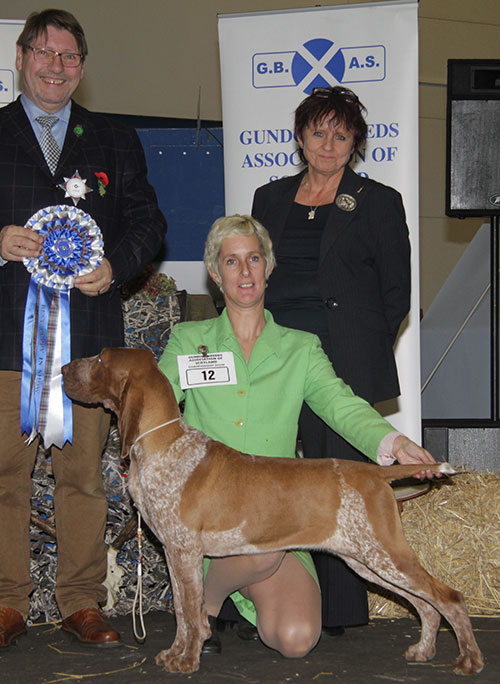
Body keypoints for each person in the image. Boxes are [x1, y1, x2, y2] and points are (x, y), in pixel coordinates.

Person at [158, 214, 438, 657]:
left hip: (280, 521)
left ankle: (230, 600)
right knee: (258, 545)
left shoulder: (300, 347)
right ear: (215, 273)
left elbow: (341, 405)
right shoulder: (189, 340)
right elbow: (156, 410)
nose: (245, 272)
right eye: (232, 262)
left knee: (296, 640)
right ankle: (203, 611)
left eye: (254, 259)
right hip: (208, 527)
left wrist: (395, 444)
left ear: (270, 267)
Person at [0, 9, 166, 648]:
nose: (57, 67)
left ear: (82, 67)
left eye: (70, 57)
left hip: (91, 345)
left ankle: (82, 601)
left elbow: (149, 223)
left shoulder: (115, 140)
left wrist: (116, 267)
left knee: (83, 479)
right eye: (45, 53)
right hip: (7, 344)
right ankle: (8, 602)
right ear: (21, 56)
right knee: (4, 478)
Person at [251, 86, 411, 636]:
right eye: (318, 131)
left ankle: (341, 614)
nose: (328, 143)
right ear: (300, 137)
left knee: (336, 490)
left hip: (339, 366)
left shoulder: (378, 201)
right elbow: (253, 275)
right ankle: (248, 600)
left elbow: (396, 295)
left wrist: (356, 351)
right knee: (265, 477)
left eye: (341, 134)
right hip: (272, 359)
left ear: (355, 144)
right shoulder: (268, 198)